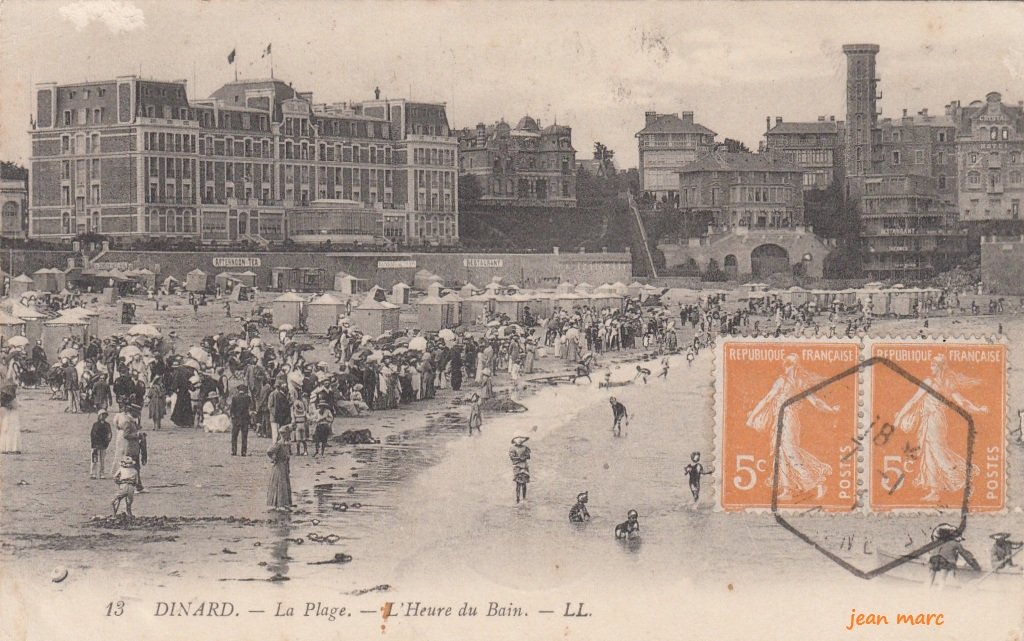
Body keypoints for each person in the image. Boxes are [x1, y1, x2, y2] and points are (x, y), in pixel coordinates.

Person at [746, 353, 839, 501]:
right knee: (781, 452)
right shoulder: (799, 383)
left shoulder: (785, 382)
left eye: (789, 363)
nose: (786, 366)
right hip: (784, 420)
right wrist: (831, 409)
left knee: (790, 451)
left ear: (795, 365)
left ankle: (817, 483)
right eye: (786, 363)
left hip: (787, 420)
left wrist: (752, 417)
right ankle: (787, 489)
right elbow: (816, 403)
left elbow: (768, 399)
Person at [893, 355, 985, 502]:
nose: (931, 368)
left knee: (938, 453)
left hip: (933, 421)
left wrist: (898, 418)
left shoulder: (930, 382)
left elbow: (914, 400)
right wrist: (978, 409)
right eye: (931, 365)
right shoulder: (947, 385)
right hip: (935, 421)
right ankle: (934, 490)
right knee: (928, 453)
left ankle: (965, 482)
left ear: (940, 368)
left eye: (934, 365)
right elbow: (963, 402)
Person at [267, 425, 293, 510]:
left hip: (284, 466)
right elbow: (269, 451)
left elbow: (288, 457)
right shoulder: (279, 444)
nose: (289, 436)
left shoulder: (287, 444)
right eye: (288, 434)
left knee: (284, 484)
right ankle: (278, 503)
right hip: (279, 466)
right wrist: (274, 458)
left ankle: (284, 503)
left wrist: (288, 468)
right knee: (280, 484)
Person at [229, 385, 252, 456]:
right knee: (244, 436)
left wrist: (232, 417)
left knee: (234, 436)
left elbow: (232, 409)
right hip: (245, 419)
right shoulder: (247, 398)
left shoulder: (235, 397)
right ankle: (243, 451)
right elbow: (250, 407)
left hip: (236, 419)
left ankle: (234, 450)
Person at [0, 383, 22, 454]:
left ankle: (5, 447)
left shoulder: (5, 400)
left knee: (6, 431)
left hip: (7, 416)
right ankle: (12, 448)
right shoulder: (12, 399)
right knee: (12, 431)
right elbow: (15, 406)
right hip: (13, 417)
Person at [90, 409, 112, 479]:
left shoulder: (107, 425)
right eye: (102, 415)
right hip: (96, 444)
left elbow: (110, 434)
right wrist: (95, 444)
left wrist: (107, 440)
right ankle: (93, 473)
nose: (103, 416)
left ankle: (102, 473)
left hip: (103, 444)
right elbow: (93, 434)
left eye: (105, 415)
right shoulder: (95, 425)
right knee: (94, 459)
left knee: (102, 460)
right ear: (99, 416)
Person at [509, 436, 531, 504]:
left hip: (524, 466)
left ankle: (524, 498)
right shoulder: (512, 448)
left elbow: (528, 456)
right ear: (515, 441)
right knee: (518, 484)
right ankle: (518, 499)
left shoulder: (525, 448)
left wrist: (524, 457)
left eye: (520, 440)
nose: (519, 441)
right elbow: (512, 457)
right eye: (517, 440)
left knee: (524, 483)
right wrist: (519, 458)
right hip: (517, 467)